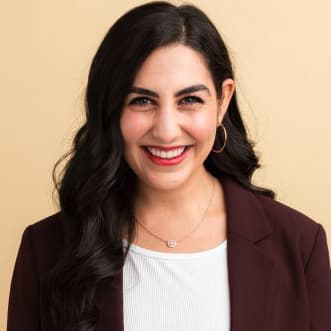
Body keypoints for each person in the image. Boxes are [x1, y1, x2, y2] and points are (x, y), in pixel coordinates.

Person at [7, 1, 331, 330]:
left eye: (189, 100)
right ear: (112, 110)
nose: (166, 130)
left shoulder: (300, 245)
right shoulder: (46, 250)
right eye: (142, 101)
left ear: (222, 101)